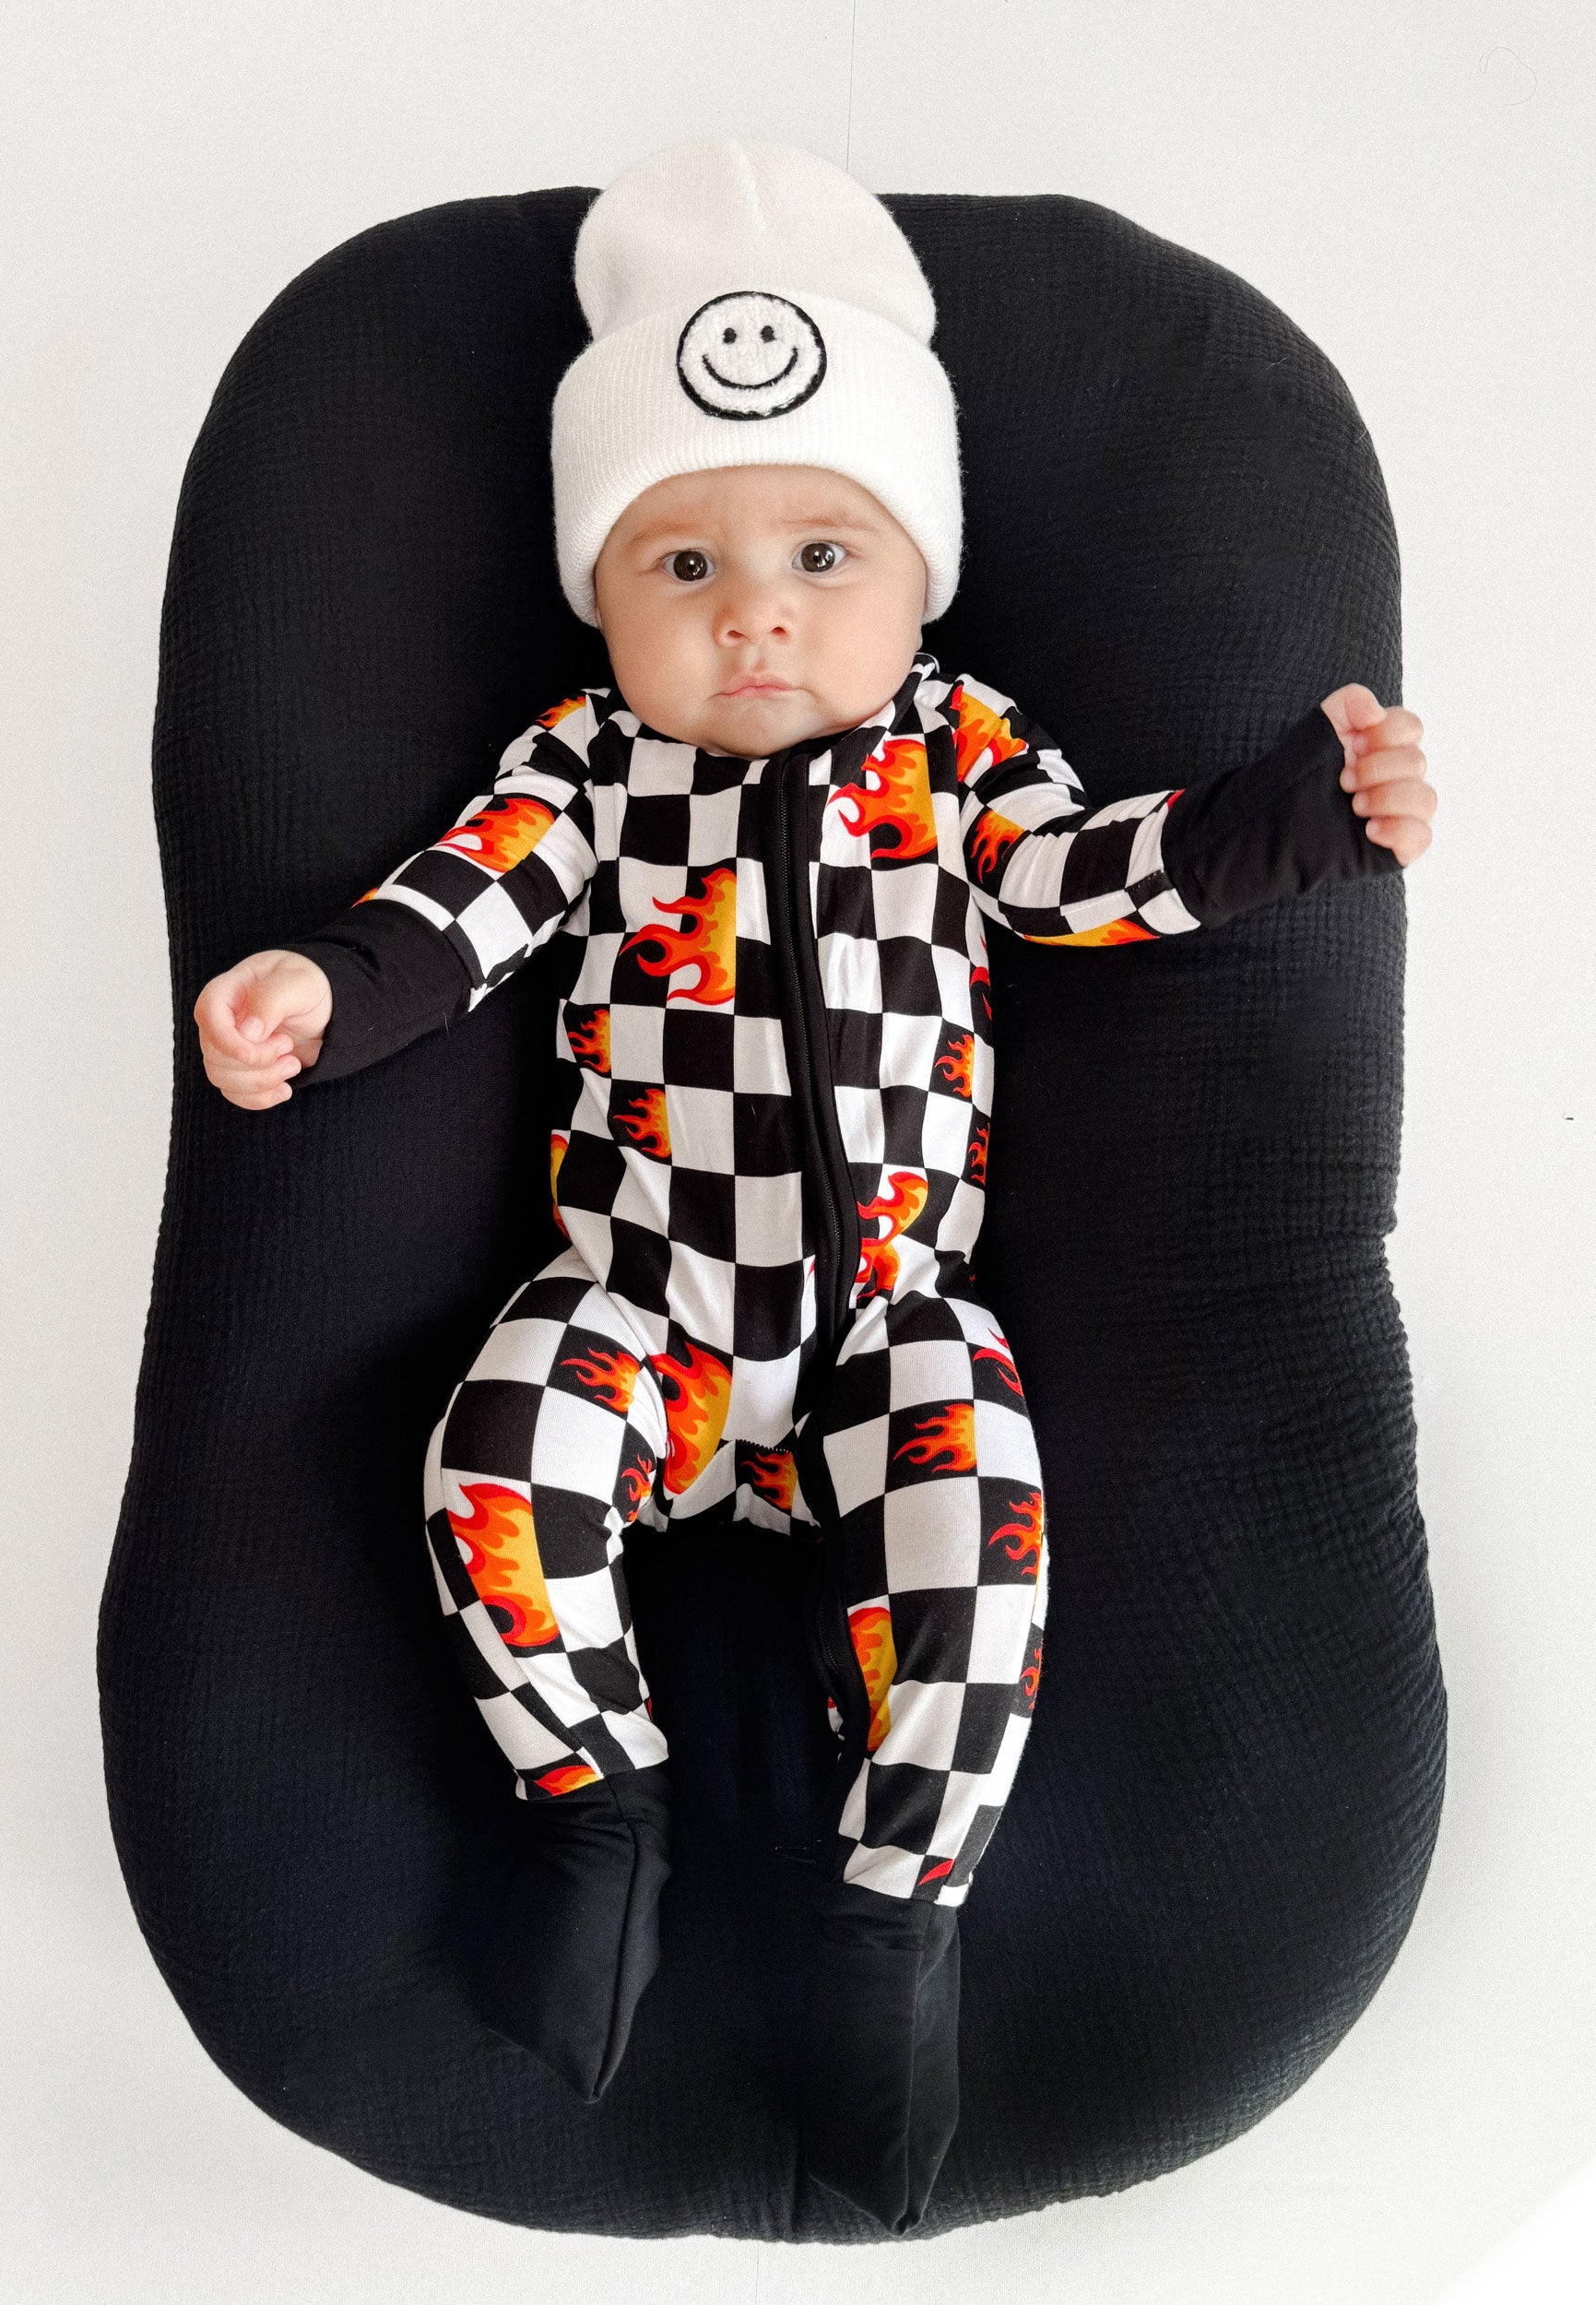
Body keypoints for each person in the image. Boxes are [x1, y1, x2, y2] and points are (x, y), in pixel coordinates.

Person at [192, 140, 1436, 2233]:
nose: (752, 608)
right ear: (600, 598)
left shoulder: (950, 751)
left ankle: (894, 1918)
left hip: (886, 1323)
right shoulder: (591, 766)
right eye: (678, 563)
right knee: (491, 1465)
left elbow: (1086, 875)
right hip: (643, 1305)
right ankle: (596, 1803)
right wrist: (315, 987)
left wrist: (1300, 815)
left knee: (984, 1557)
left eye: (820, 553)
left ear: (917, 583)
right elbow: (463, 912)